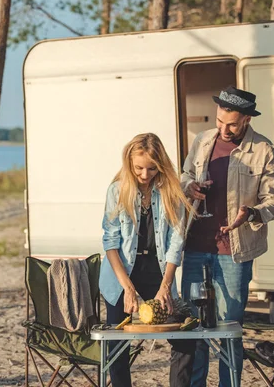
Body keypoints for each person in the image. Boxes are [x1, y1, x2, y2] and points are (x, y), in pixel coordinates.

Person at [180, 86, 274, 387]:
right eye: (220, 121)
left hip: (234, 254)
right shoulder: (202, 140)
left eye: (232, 124)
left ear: (247, 120)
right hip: (195, 247)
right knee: (194, 328)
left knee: (228, 330)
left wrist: (250, 213)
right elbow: (185, 175)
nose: (223, 129)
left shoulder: (265, 150)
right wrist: (189, 187)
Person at [100, 133, 196, 387]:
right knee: (117, 341)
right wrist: (127, 289)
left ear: (161, 164)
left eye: (152, 167)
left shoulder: (170, 191)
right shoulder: (116, 191)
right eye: (139, 167)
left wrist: (166, 285)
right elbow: (110, 243)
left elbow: (177, 241)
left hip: (158, 269)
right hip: (121, 272)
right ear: (129, 164)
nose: (145, 174)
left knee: (183, 337)